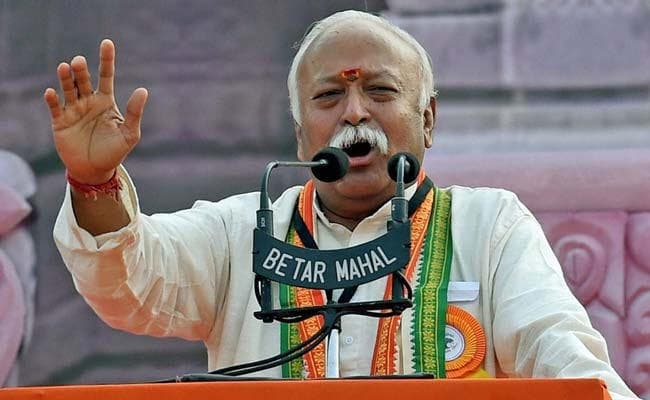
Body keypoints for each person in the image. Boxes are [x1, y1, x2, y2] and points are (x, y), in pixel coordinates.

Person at [46, 10, 639, 399]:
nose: (355, 112)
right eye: (329, 96)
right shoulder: (240, 232)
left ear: (427, 119)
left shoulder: (490, 227)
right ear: (300, 134)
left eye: (380, 90)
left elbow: (561, 355)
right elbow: (130, 283)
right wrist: (93, 180)